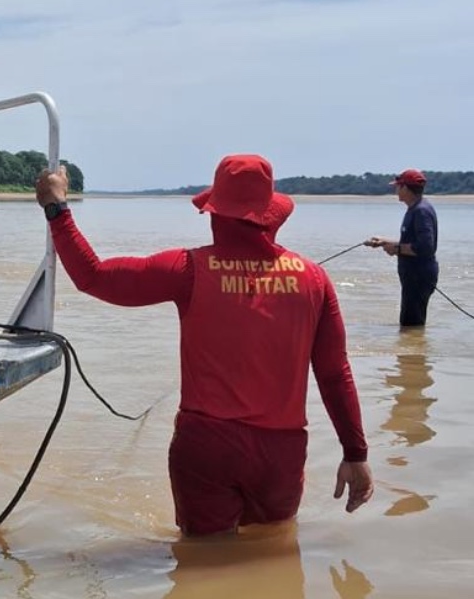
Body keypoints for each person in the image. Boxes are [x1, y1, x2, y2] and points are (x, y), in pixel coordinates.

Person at [35, 154, 373, 536]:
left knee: (201, 563)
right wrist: (355, 454)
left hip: (206, 448)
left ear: (215, 213)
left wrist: (56, 208)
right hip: (281, 454)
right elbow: (334, 373)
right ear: (270, 216)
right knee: (272, 553)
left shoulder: (187, 269)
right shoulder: (314, 279)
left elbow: (93, 277)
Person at [365, 169, 438, 328]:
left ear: (405, 188)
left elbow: (426, 247)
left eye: (398, 186)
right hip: (414, 275)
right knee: (411, 326)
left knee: (410, 324)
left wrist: (396, 249)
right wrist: (384, 242)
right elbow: (412, 242)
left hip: (419, 276)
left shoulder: (421, 211)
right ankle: (413, 350)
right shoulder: (415, 208)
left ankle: (413, 352)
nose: (395, 190)